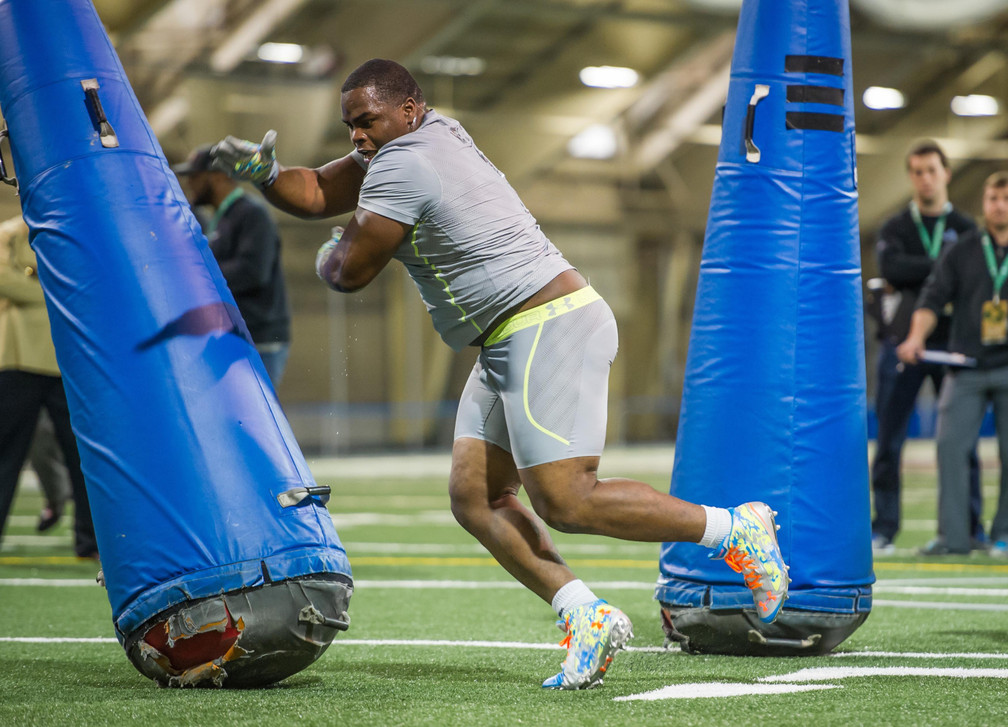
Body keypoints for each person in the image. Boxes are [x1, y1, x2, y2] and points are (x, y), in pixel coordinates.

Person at [210, 58, 790, 689]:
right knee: (475, 497)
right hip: (509, 335)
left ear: (409, 109)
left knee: (568, 499)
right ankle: (586, 614)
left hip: (546, 324)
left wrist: (329, 252)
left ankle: (736, 530)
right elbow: (321, 190)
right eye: (350, 125)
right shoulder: (427, 135)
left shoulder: (405, 161)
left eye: (367, 121)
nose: (357, 136)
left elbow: (349, 272)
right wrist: (266, 176)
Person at [871, 139, 984, 554]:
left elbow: (975, 281)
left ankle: (971, 527)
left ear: (946, 173)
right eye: (917, 171)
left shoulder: (970, 228)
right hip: (902, 346)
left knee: (961, 441)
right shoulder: (896, 226)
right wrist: (947, 268)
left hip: (954, 345)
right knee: (888, 440)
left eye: (931, 170)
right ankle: (883, 527)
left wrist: (923, 273)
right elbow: (890, 269)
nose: (924, 179)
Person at [898, 171, 1008, 558]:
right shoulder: (961, 250)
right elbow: (931, 299)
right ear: (985, 203)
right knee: (949, 448)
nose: (1000, 206)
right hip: (966, 366)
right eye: (994, 198)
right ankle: (954, 539)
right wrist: (915, 337)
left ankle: (1004, 536)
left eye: (1006, 199)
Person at [0, 216, 97, 562]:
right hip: (14, 361)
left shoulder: (76, 232)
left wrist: (33, 281)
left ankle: (93, 544)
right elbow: (0, 282)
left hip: (68, 363)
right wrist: (60, 291)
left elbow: (92, 287)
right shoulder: (6, 233)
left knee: (87, 458)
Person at [173, 145, 292, 388]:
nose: (190, 184)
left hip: (258, 340)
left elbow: (252, 271)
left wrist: (197, 280)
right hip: (233, 338)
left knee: (253, 420)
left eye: (195, 177)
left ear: (219, 176)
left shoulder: (251, 214)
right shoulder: (221, 219)